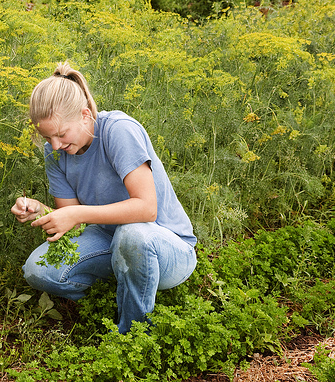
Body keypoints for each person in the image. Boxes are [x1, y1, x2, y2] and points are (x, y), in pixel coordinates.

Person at [11, 62, 197, 334]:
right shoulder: (56, 150)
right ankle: (120, 292)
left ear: (85, 115)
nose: (56, 145)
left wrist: (78, 215)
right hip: (110, 240)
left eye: (61, 134)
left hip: (167, 247)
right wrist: (39, 210)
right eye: (47, 137)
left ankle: (132, 335)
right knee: (38, 271)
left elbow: (147, 210)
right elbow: (73, 220)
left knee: (132, 235)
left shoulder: (118, 130)